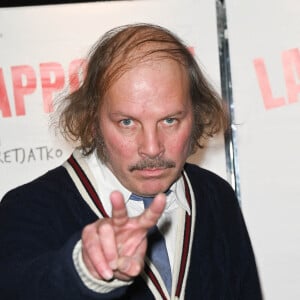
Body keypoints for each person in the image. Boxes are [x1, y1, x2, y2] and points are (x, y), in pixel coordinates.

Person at [0, 23, 262, 300]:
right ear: (92, 121)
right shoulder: (27, 208)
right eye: (127, 122)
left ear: (196, 116)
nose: (151, 148)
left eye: (170, 120)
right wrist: (84, 271)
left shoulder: (215, 196)